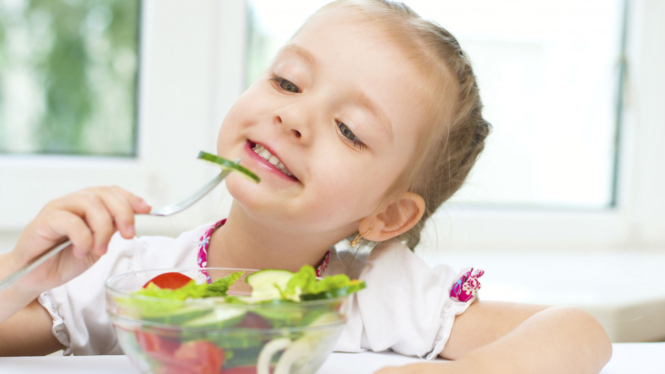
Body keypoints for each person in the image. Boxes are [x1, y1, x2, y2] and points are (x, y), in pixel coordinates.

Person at [0, 0, 612, 372]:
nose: (293, 116)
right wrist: (24, 273)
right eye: (288, 83)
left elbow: (581, 332)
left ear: (388, 216)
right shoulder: (133, 278)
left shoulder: (374, 290)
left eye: (348, 130)